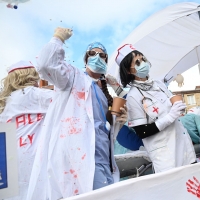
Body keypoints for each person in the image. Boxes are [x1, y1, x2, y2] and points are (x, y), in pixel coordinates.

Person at [27, 27, 127, 199]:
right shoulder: (73, 78)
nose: (98, 57)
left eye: (102, 55)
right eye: (92, 53)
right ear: (86, 59)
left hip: (103, 158)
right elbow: (45, 65)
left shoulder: (102, 91)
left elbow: (101, 124)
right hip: (80, 159)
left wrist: (117, 119)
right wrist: (58, 38)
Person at [116, 44, 196, 173]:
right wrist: (170, 117)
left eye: (143, 59)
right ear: (128, 70)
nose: (143, 63)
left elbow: (172, 106)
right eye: (137, 62)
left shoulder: (159, 84)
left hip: (184, 147)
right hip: (165, 156)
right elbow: (142, 131)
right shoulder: (133, 96)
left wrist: (179, 108)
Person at [0, 61, 53, 200]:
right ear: (30, 77)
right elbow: (68, 100)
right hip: (34, 159)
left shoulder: (4, 103)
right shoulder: (36, 94)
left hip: (9, 163)